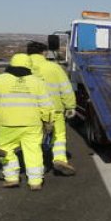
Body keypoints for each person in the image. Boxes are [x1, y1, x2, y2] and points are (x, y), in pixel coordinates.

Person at [0, 53, 54, 190]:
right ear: (29, 65)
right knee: (33, 150)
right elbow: (46, 105)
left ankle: (11, 178)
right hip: (32, 124)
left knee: (5, 150)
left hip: (6, 124)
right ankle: (35, 181)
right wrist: (48, 121)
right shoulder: (37, 82)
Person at [27, 43, 77, 175]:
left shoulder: (22, 68)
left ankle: (36, 166)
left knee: (32, 139)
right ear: (44, 52)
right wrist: (70, 106)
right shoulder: (54, 68)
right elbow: (65, 89)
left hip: (30, 111)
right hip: (55, 110)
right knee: (58, 135)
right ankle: (59, 159)